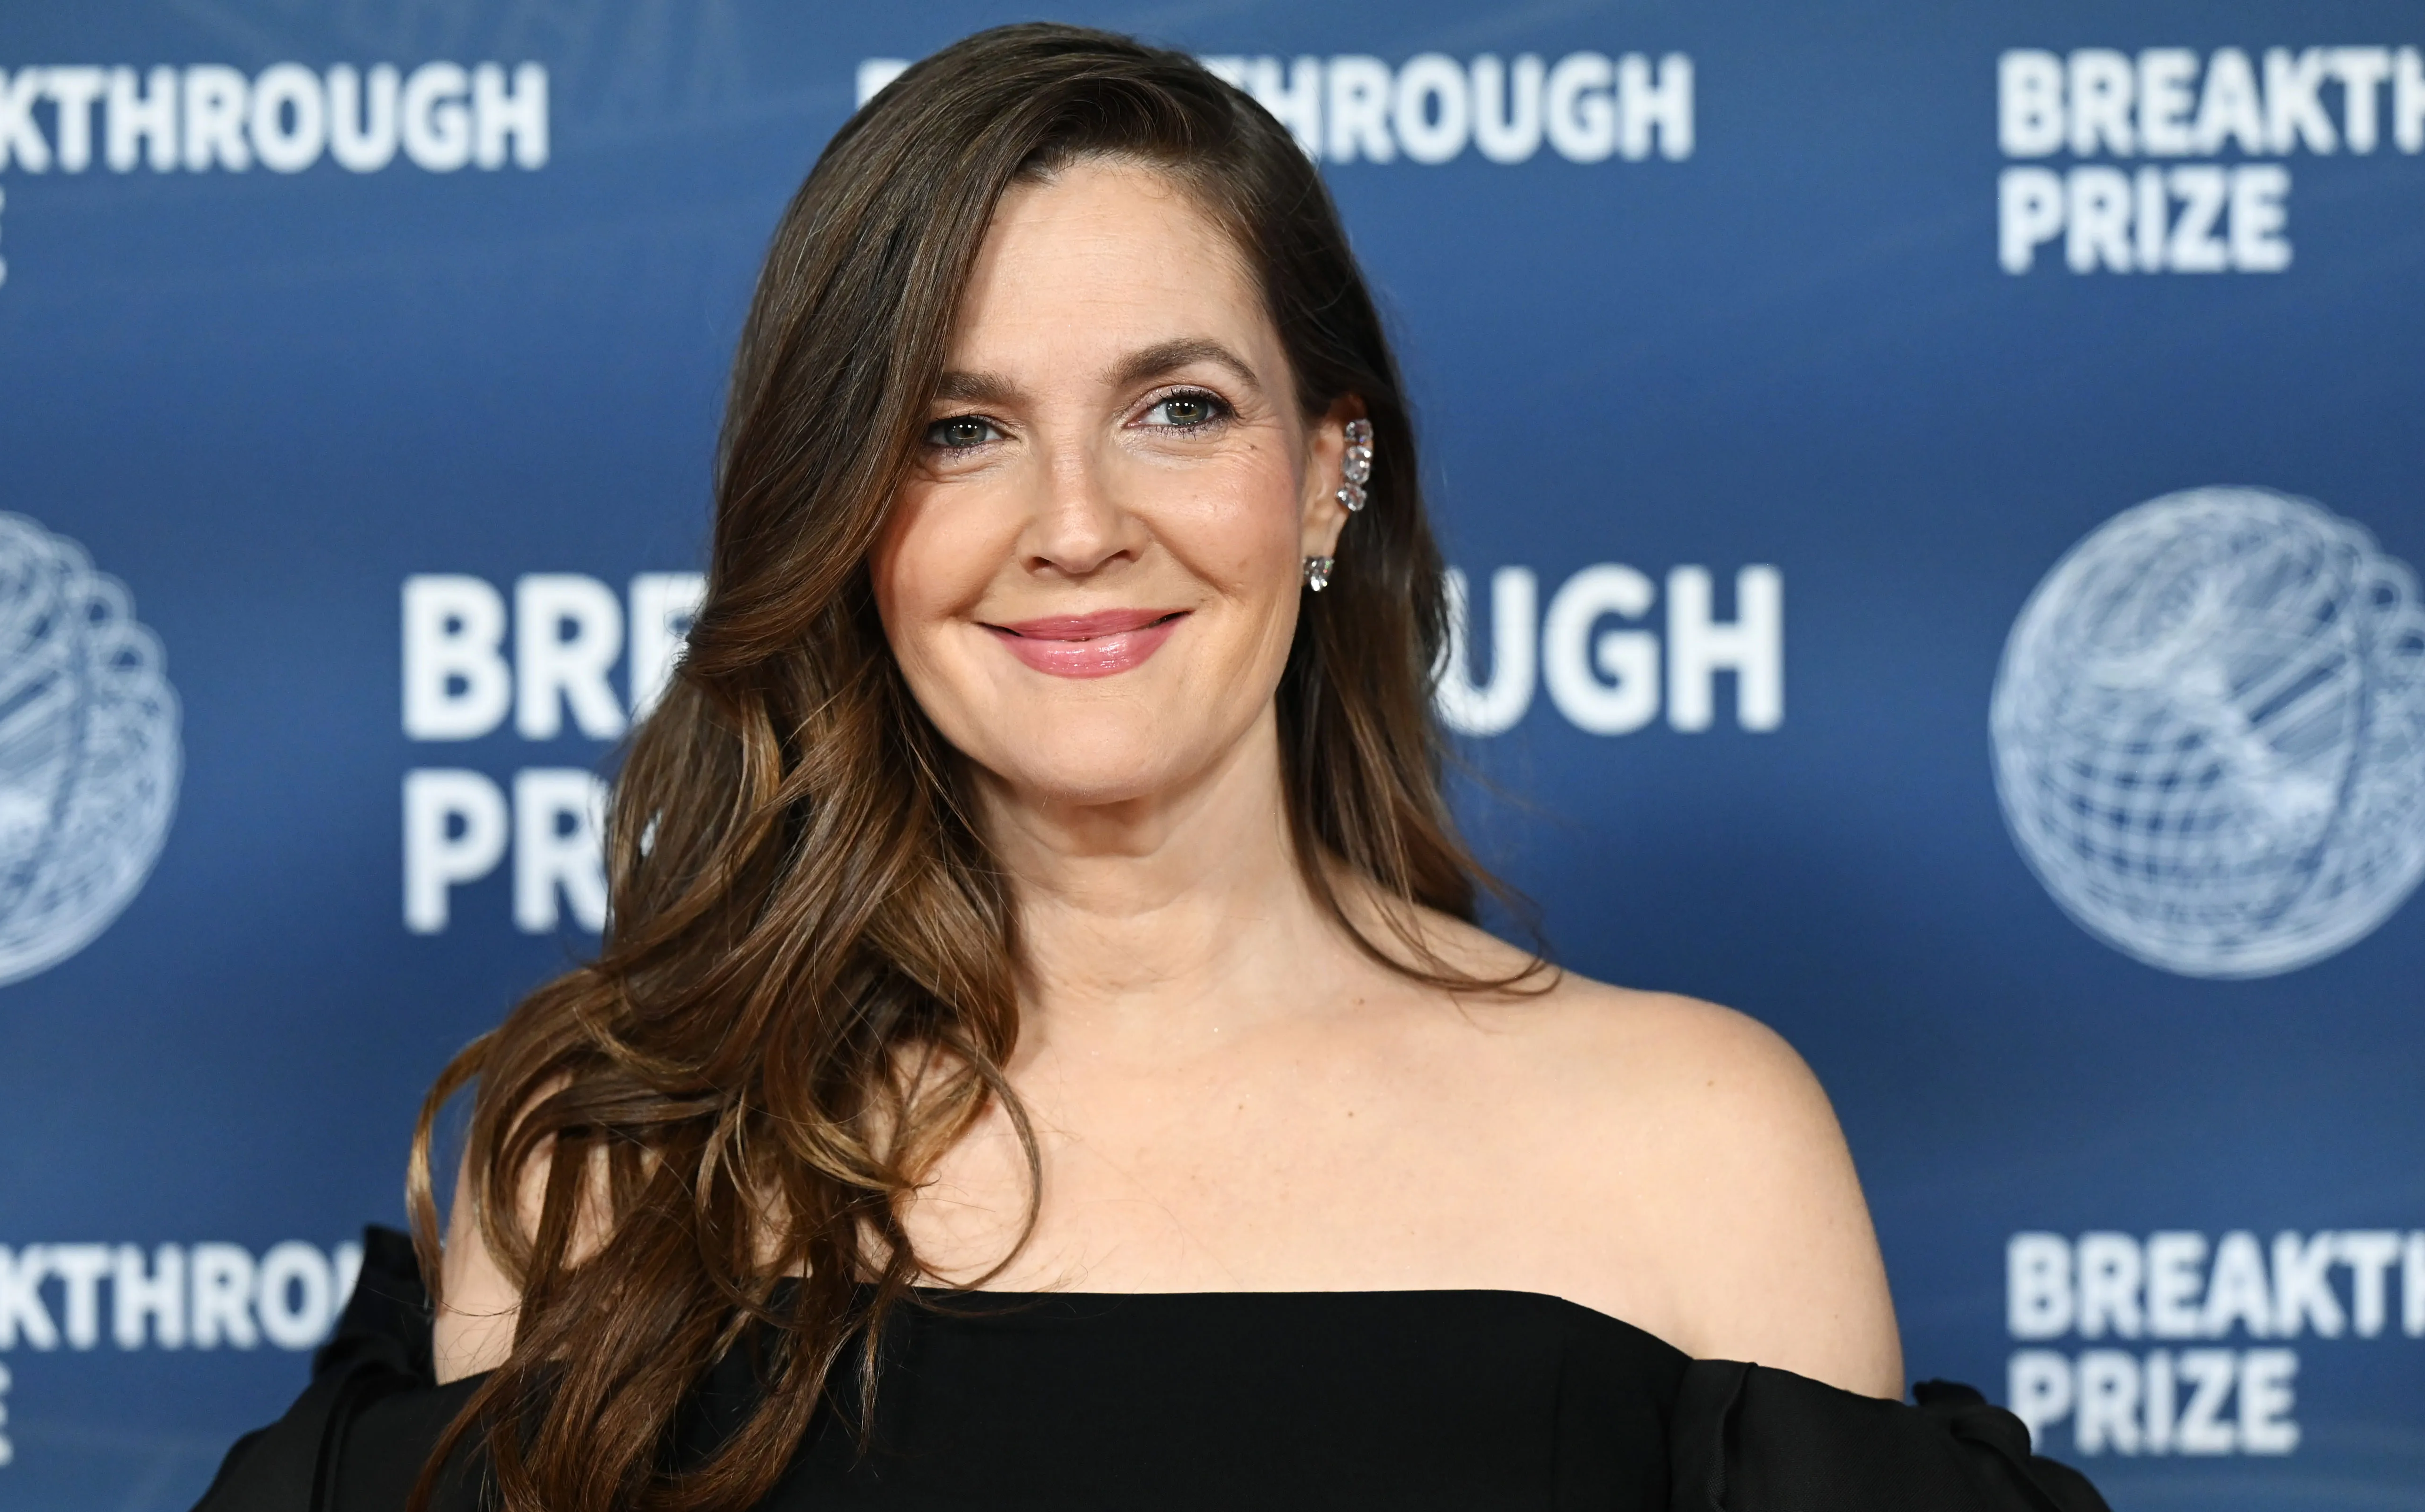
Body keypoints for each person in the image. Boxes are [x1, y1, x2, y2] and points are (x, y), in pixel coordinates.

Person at [199, 24, 2104, 1512]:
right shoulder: (608, 1166)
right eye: (958, 429)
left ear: (1329, 469)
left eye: (1175, 407)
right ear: (845, 514)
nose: (1076, 521)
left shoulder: (1694, 1145)